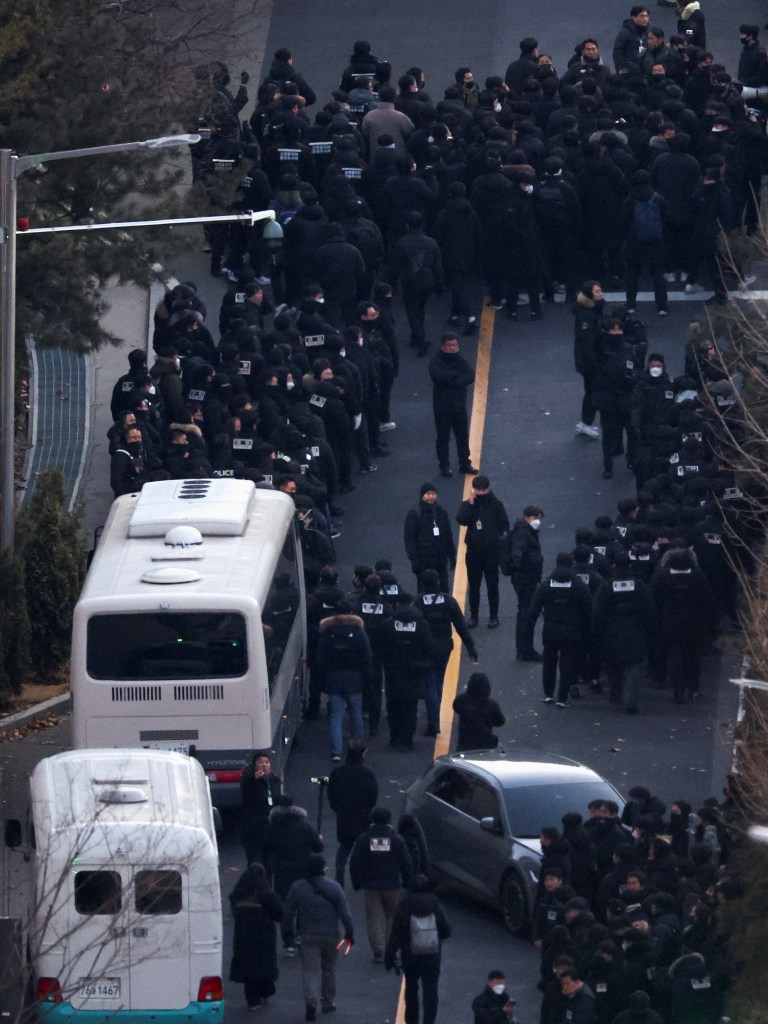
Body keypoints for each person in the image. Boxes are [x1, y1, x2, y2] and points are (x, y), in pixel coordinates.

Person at [282, 854, 354, 1022]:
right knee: (329, 969)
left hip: (307, 935)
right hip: (331, 935)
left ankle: (311, 1002)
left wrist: (288, 934)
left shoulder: (298, 888)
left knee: (310, 971)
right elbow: (345, 914)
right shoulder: (334, 887)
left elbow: (288, 913)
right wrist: (350, 933)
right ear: (323, 868)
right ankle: (328, 1002)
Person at [416, 569, 478, 736]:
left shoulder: (418, 602)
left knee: (429, 683)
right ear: (437, 583)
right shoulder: (448, 601)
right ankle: (436, 716)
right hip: (444, 646)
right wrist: (470, 645)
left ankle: (433, 722)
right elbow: (460, 625)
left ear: (422, 583)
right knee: (438, 682)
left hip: (426, 648)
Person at [384, 874, 452, 1024]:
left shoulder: (404, 906)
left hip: (411, 955)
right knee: (431, 991)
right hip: (432, 955)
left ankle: (411, 1019)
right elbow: (446, 931)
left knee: (411, 988)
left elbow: (395, 935)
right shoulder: (435, 906)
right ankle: (429, 1020)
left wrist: (389, 958)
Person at [527, 553, 592, 708]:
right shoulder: (578, 584)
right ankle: (562, 697)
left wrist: (528, 628)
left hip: (550, 630)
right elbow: (588, 607)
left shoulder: (547, 583)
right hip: (572, 630)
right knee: (568, 663)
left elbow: (534, 608)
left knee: (549, 661)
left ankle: (548, 694)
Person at [349, 806, 413, 963]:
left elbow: (354, 862)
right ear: (389, 821)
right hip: (392, 885)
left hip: (370, 885)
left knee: (373, 918)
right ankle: (392, 949)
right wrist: (407, 880)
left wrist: (356, 881)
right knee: (392, 917)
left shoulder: (364, 839)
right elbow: (406, 863)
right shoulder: (396, 839)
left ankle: (378, 950)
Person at [315, 599, 372, 761]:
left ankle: (336, 751)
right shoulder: (358, 631)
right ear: (351, 613)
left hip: (334, 678)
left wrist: (324, 676)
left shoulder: (328, 631)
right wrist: (366, 677)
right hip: (355, 678)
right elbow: (367, 656)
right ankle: (357, 746)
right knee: (356, 713)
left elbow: (320, 657)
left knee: (336, 716)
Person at [381, 593, 434, 751]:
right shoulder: (421, 624)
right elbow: (429, 647)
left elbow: (381, 645)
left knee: (393, 706)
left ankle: (394, 738)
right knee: (410, 708)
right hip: (414, 671)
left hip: (393, 670)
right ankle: (407, 740)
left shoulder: (388, 624)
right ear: (412, 604)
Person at [457, 475, 510, 629]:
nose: (481, 493)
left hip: (492, 553)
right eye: (478, 490)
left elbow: (505, 525)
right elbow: (462, 519)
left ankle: (494, 616)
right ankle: (474, 615)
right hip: (474, 552)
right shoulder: (468, 505)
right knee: (474, 585)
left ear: (488, 489)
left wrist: (500, 542)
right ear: (473, 490)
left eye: (483, 490)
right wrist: (471, 503)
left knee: (492, 585)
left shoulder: (496, 505)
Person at [228, 862, 283, 1009]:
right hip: (264, 932)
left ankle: (253, 1000)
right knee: (264, 962)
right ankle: (266, 990)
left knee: (248, 966)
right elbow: (279, 911)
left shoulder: (238, 893)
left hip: (243, 933)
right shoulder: (266, 892)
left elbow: (233, 906)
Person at [389, 210, 444, 355]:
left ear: (407, 225)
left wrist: (391, 283)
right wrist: (440, 285)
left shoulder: (401, 243)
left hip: (410, 281)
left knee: (412, 311)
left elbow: (394, 267)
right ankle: (418, 334)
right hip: (428, 280)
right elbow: (437, 266)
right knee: (421, 308)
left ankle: (420, 337)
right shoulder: (432, 243)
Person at [327, 739, 379, 886]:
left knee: (344, 848)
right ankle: (362, 876)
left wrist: (338, 808)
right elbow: (373, 795)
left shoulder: (337, 772)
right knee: (365, 847)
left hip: (344, 816)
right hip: (363, 816)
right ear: (363, 754)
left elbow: (331, 794)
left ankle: (339, 875)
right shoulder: (368, 773)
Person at [428, 333, 478, 478]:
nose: (452, 348)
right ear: (443, 346)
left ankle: (465, 463)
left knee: (462, 435)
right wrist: (457, 377)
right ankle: (444, 465)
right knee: (443, 436)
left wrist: (452, 379)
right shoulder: (436, 361)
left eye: (454, 345)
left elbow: (471, 375)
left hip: (458, 405)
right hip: (442, 406)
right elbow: (437, 375)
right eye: (449, 345)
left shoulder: (461, 360)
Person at [506, 505, 545, 660]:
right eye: (535, 518)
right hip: (525, 578)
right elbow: (518, 550)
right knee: (527, 614)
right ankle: (526, 650)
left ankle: (523, 649)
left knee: (525, 612)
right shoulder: (524, 532)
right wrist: (518, 565)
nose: (538, 521)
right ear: (528, 517)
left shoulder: (525, 530)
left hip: (526, 577)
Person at [403, 483, 457, 593]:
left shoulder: (442, 512)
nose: (431, 496)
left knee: (444, 589)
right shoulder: (415, 513)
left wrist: (452, 555)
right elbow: (410, 539)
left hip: (440, 559)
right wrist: (414, 560)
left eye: (433, 494)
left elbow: (448, 534)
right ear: (422, 495)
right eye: (428, 494)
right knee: (425, 591)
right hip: (424, 561)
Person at [573, 281, 605, 439]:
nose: (601, 294)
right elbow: (586, 344)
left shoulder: (591, 310)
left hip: (590, 360)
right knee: (593, 391)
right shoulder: (586, 316)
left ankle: (586, 422)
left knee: (592, 390)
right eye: (597, 292)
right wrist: (595, 363)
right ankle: (586, 422)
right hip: (590, 362)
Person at [240, 751, 283, 865]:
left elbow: (278, 800)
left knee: (269, 862)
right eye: (261, 762)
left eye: (267, 762)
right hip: (253, 830)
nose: (264, 765)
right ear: (254, 766)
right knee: (255, 862)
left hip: (270, 829)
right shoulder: (250, 779)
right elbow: (245, 786)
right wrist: (255, 778)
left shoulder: (275, 780)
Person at [452, 672, 505, 751]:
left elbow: (456, 707)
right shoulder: (492, 705)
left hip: (465, 742)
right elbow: (500, 721)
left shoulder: (461, 700)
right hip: (485, 743)